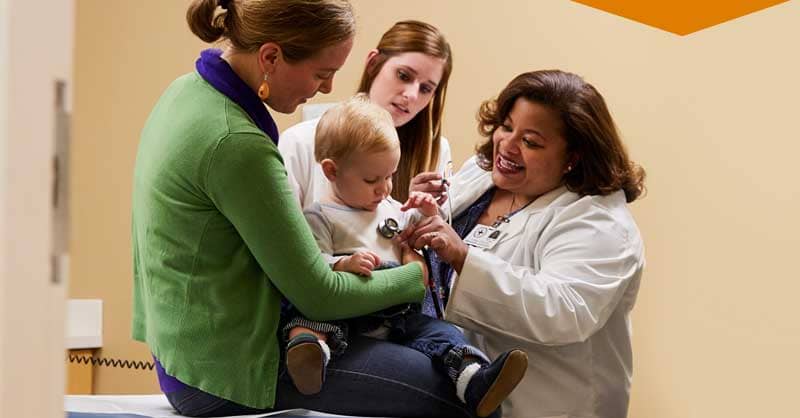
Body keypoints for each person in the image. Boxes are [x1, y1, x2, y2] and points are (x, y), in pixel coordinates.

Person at [132, 1, 477, 417]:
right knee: (466, 397)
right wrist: (413, 277)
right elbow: (319, 294)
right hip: (229, 370)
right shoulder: (238, 143)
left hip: (182, 354)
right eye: (321, 73)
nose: (328, 89)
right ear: (271, 57)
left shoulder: (185, 93)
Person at [400, 70, 647, 418]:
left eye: (531, 141)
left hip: (545, 405)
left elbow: (563, 312)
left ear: (573, 156)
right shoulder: (483, 174)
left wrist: (462, 257)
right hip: (455, 390)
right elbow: (435, 254)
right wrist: (417, 212)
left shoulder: (600, 223)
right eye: (506, 125)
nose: (507, 145)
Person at [280, 95, 527, 418]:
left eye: (390, 176)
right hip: (347, 305)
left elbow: (417, 234)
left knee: (443, 333)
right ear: (331, 171)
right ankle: (309, 353)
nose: (384, 189)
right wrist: (342, 264)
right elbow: (314, 264)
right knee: (312, 317)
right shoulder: (320, 216)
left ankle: (472, 378)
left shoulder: (389, 207)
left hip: (397, 313)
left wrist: (426, 212)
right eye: (372, 180)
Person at [279, 19, 454, 209]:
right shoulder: (300, 142)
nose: (411, 95)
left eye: (426, 89)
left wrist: (418, 213)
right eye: (403, 76)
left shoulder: (436, 152)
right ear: (373, 64)